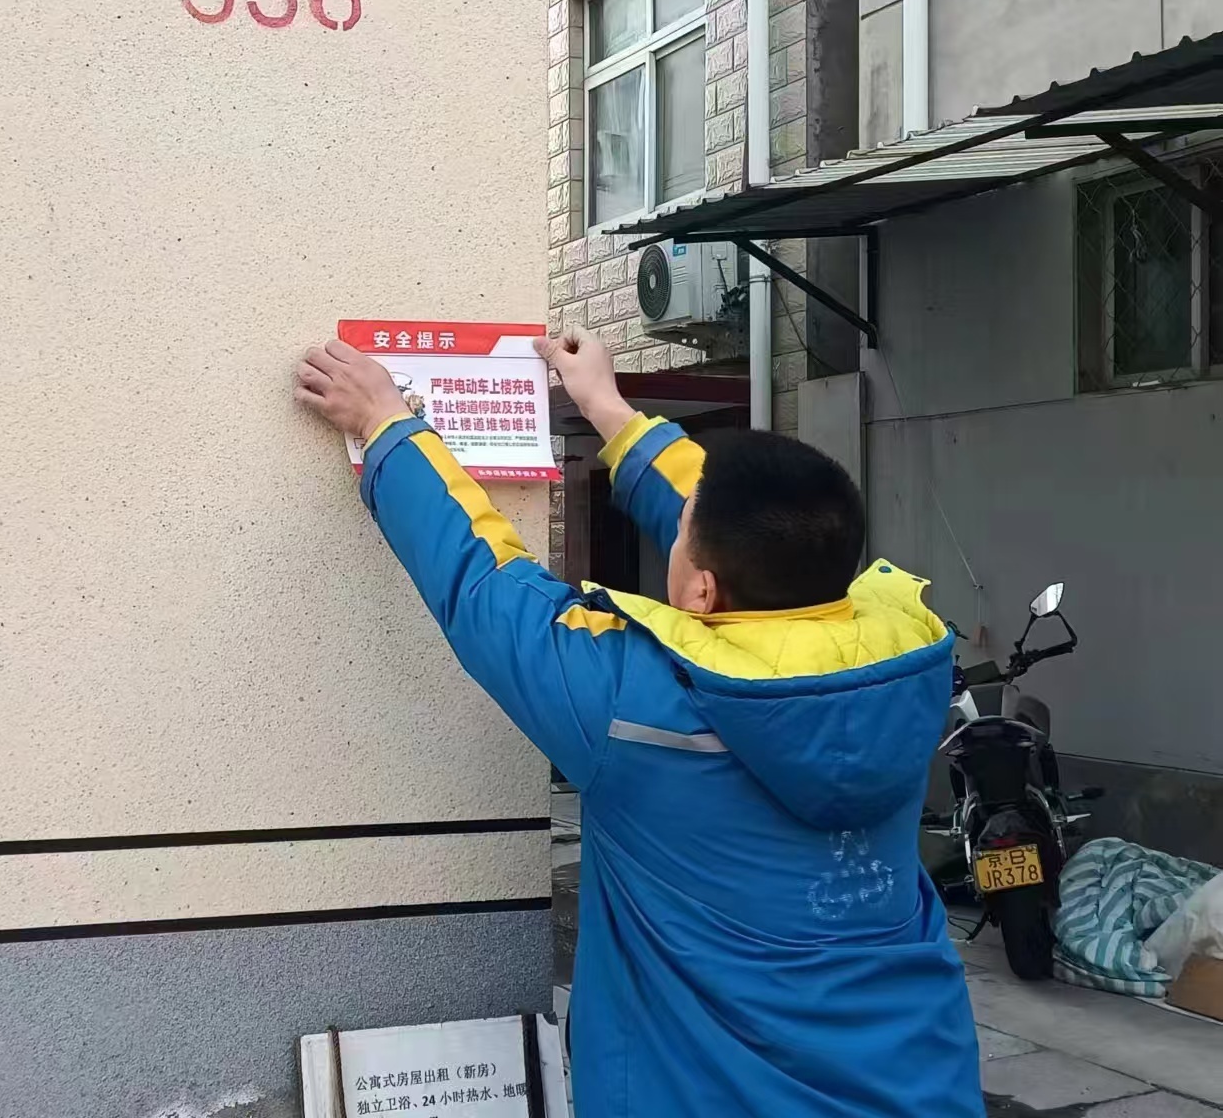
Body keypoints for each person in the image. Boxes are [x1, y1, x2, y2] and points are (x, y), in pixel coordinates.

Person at [294, 332, 982, 1118]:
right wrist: (606, 407)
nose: (677, 529)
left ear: (702, 591)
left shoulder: (633, 703)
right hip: (918, 1088)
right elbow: (731, 525)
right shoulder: (906, 662)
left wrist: (386, 422)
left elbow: (487, 586)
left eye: (683, 534)